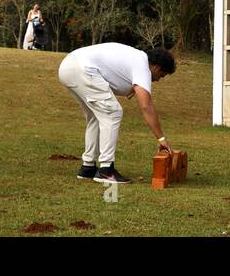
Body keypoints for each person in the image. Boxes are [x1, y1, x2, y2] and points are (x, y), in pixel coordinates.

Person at [56, 42, 176, 184]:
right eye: (161, 75)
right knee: (113, 113)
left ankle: (88, 167)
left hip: (68, 66)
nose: (157, 80)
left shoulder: (135, 57)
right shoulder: (143, 66)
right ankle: (106, 170)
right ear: (156, 67)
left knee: (96, 116)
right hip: (82, 68)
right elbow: (146, 106)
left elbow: (111, 78)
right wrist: (161, 139)